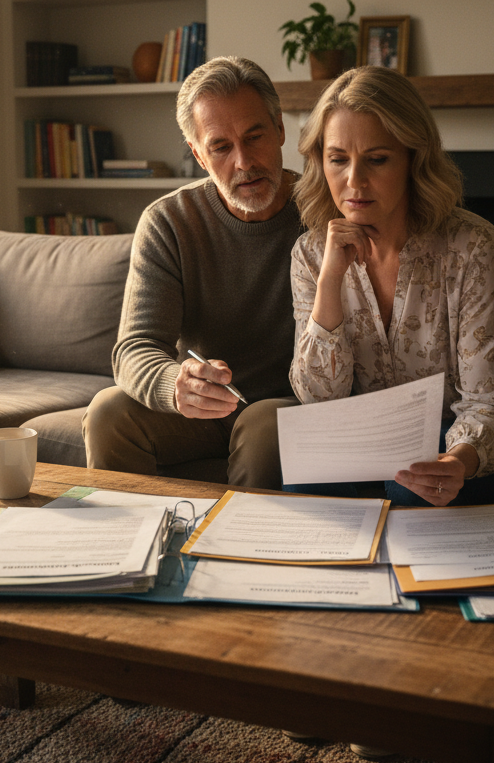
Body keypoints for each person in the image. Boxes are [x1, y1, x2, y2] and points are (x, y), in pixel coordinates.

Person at [285, 65, 494, 511]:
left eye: (377, 159)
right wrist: (330, 282)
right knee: (301, 482)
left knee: (410, 490)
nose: (354, 181)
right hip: (380, 442)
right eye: (338, 159)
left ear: (414, 158)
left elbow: (488, 403)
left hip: (485, 441)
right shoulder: (311, 254)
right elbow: (317, 397)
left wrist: (457, 462)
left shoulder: (473, 246)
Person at [83, 57, 302, 488]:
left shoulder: (325, 209)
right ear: (198, 155)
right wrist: (176, 385)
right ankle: (131, 533)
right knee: (108, 412)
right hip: (203, 409)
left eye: (254, 136)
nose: (243, 162)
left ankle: (244, 535)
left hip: (288, 405)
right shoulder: (169, 221)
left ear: (279, 129)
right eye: (221, 147)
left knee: (263, 425)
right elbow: (135, 347)